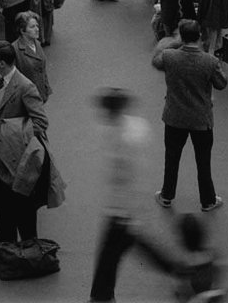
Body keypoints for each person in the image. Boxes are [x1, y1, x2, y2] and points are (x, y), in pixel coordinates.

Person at [0, 41, 62, 253]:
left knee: (22, 201)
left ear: (2, 63)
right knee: (0, 201)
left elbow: (40, 122)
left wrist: (14, 135)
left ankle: (29, 245)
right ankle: (7, 242)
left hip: (16, 155)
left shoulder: (25, 87)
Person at [88, 88, 164, 303]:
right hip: (120, 207)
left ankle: (182, 271)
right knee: (114, 252)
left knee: (115, 252)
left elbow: (133, 175)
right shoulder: (122, 128)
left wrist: (131, 213)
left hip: (124, 209)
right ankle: (101, 296)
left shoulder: (128, 137)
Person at [151, 19, 228, 212]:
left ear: (182, 37)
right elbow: (221, 83)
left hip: (175, 117)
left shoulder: (169, 57)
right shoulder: (209, 62)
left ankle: (167, 195)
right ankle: (208, 200)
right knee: (203, 162)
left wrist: (174, 41)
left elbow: (156, 59)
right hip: (201, 119)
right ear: (200, 36)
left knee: (172, 158)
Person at [12, 11, 51, 102]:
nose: (37, 29)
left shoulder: (37, 44)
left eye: (37, 26)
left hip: (39, 95)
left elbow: (42, 69)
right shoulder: (14, 50)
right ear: (22, 30)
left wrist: (46, 89)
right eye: (32, 27)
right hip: (24, 99)